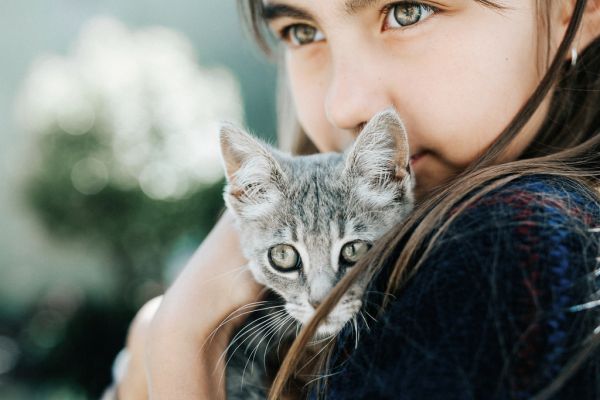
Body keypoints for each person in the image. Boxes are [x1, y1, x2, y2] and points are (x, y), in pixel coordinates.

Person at [111, 0, 600, 399]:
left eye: (408, 10)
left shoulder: (512, 242)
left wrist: (177, 338)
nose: (344, 106)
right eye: (302, 31)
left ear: (577, 9)